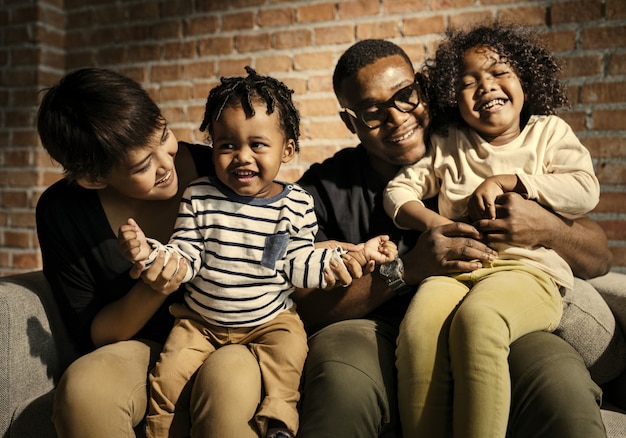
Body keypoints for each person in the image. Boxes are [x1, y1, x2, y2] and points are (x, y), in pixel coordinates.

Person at [292, 38, 611, 437]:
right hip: (375, 325)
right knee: (341, 380)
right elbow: (303, 305)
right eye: (374, 113)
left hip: (497, 298)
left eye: (406, 96)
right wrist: (406, 269)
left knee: (560, 384)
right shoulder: (322, 189)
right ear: (351, 122)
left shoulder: (474, 134)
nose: (397, 118)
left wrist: (544, 225)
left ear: (424, 89)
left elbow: (599, 255)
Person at [117, 67, 397, 438]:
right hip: (199, 322)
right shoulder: (200, 195)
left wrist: (349, 257)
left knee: (290, 359)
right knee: (165, 378)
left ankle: (279, 421)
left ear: (288, 150)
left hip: (271, 321)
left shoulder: (295, 204)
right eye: (227, 145)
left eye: (257, 145)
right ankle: (159, 431)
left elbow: (297, 262)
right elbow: (185, 255)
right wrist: (150, 254)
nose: (241, 157)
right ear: (213, 147)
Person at [382, 24, 600, 437]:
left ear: (526, 79)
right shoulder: (449, 144)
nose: (486, 87)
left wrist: (512, 180)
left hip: (527, 272)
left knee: (478, 322)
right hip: (455, 272)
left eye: (500, 72)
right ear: (451, 97)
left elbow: (585, 190)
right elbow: (397, 190)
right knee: (417, 331)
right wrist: (436, 223)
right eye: (469, 82)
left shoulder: (548, 134)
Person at [35, 67, 253, 437]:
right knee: (85, 392)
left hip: (234, 335)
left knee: (224, 394)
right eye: (141, 165)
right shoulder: (63, 212)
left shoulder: (218, 167)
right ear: (93, 178)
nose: (166, 164)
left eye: (164, 135)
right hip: (145, 347)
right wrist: (155, 286)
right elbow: (97, 334)